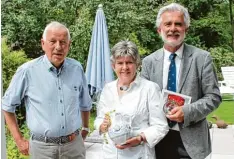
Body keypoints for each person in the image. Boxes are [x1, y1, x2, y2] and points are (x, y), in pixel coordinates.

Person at [141, 3, 222, 159]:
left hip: (192, 143)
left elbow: (213, 97)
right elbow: (141, 99)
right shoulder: (149, 62)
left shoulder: (202, 58)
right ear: (159, 30)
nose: (173, 28)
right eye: (168, 24)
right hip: (157, 140)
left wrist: (187, 112)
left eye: (178, 24)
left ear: (186, 29)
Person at [2, 21, 92, 159]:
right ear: (43, 44)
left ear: (69, 45)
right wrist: (19, 140)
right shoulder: (27, 71)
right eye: (53, 41)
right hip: (42, 149)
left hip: (74, 147)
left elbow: (85, 103)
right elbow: (7, 106)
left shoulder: (77, 68)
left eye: (63, 42)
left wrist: (85, 128)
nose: (58, 47)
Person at [94, 40, 169, 159]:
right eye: (120, 63)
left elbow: (161, 126)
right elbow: (99, 119)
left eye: (129, 62)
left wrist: (140, 138)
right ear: (113, 66)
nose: (125, 67)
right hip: (110, 154)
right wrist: (101, 126)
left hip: (138, 154)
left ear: (137, 64)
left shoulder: (150, 88)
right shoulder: (108, 89)